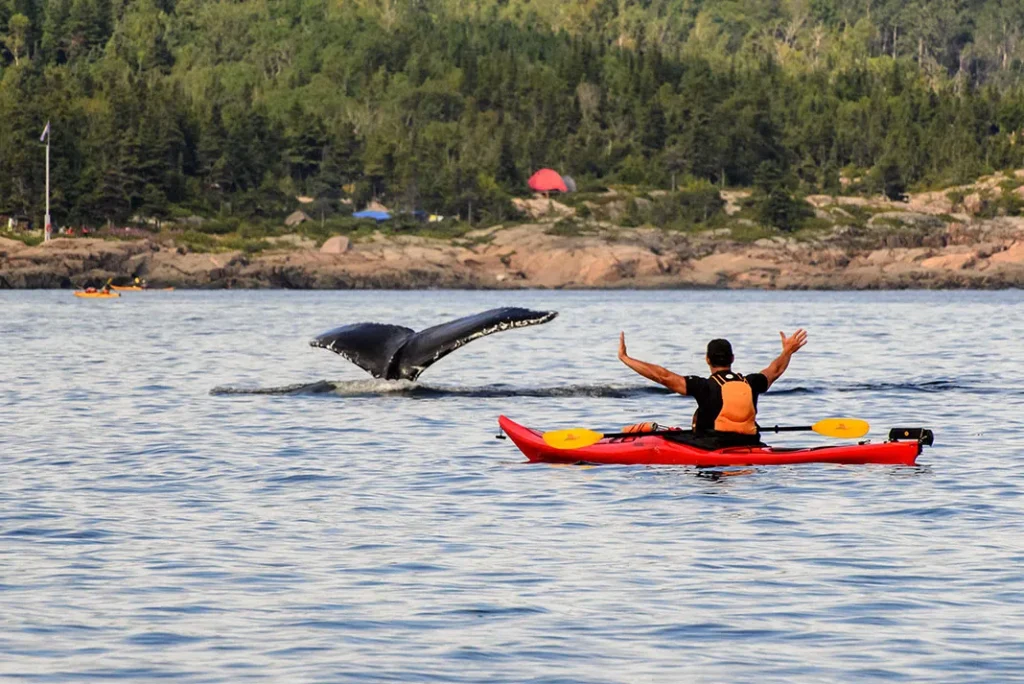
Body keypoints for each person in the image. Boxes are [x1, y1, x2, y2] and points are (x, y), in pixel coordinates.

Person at [617, 329, 808, 447]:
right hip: (749, 443)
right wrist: (787, 351)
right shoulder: (751, 382)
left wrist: (626, 358)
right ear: (732, 359)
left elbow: (662, 376)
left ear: (707, 359)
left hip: (710, 446)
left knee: (661, 434)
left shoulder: (704, 386)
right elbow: (775, 370)